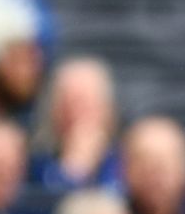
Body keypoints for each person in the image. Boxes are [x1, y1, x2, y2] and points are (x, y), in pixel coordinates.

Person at [31, 57, 123, 193]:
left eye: (84, 105)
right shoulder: (38, 165)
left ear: (106, 111)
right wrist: (73, 170)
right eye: (67, 106)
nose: (75, 116)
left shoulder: (125, 163)